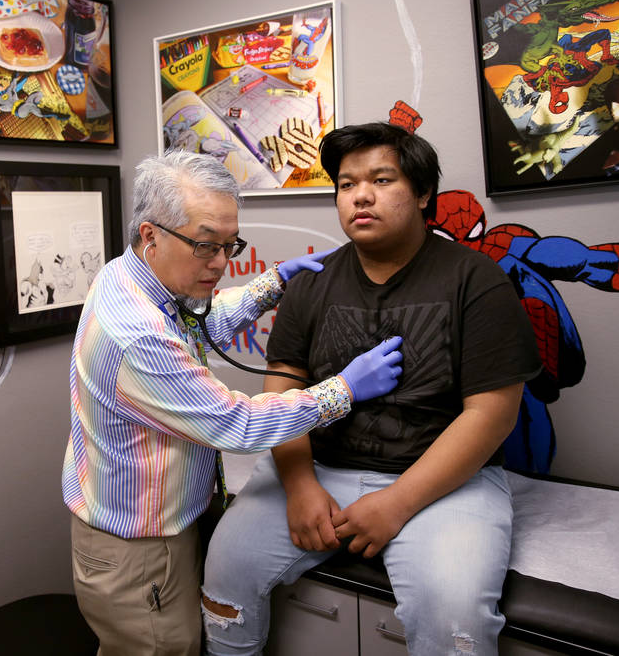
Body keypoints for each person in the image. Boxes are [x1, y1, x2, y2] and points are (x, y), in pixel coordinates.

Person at [201, 122, 542, 655]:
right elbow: (281, 391)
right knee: (226, 571)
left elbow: (492, 414)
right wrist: (299, 484)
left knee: (453, 616)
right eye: (345, 184)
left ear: (423, 193)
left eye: (382, 180)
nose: (360, 195)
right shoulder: (311, 281)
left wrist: (396, 503)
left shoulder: (475, 279)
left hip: (441, 481)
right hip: (319, 467)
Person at [61, 150, 407, 656]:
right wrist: (346, 388)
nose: (222, 264)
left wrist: (271, 285)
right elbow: (237, 424)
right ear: (151, 235)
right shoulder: (134, 332)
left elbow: (199, 324)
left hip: (157, 526)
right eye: (206, 246)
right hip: (138, 551)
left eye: (229, 244)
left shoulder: (131, 274)